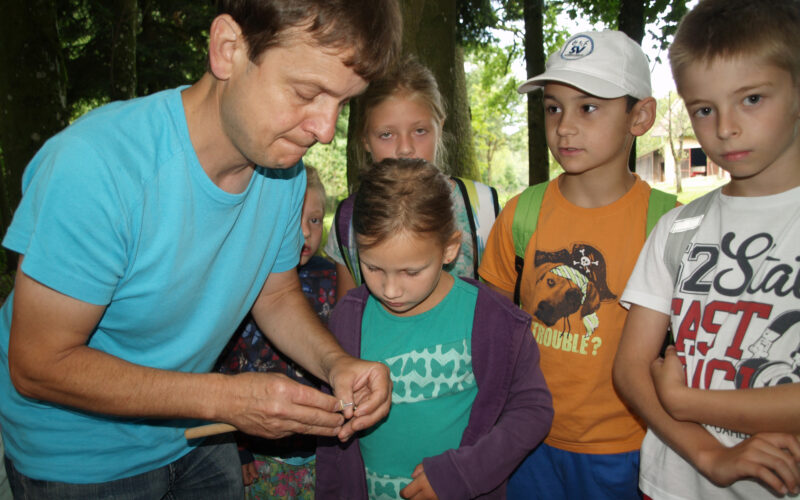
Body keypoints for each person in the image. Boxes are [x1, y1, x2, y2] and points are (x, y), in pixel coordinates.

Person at [0, 1, 401, 497]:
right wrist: (226, 400)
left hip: (198, 433)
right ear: (228, 49)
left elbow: (274, 294)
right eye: (306, 93)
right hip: (80, 460)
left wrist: (335, 363)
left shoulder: (284, 175)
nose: (324, 130)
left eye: (343, 104)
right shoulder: (96, 167)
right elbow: (38, 365)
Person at [613, 0, 800, 498]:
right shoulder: (679, 228)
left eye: (752, 99)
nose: (725, 127)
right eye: (703, 109)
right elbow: (631, 369)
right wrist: (709, 454)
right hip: (674, 483)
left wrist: (688, 401)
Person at [478, 30, 661, 499]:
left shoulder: (666, 224)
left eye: (589, 107)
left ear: (639, 116)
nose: (564, 127)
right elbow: (491, 325)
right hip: (526, 440)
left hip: (622, 446)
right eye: (554, 107)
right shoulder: (522, 213)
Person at [315, 158, 553, 500]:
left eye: (411, 272)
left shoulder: (493, 320)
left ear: (450, 249)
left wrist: (464, 473)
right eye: (373, 267)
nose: (390, 290)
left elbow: (532, 410)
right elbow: (331, 430)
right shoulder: (347, 319)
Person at [324, 56, 500, 301]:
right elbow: (350, 313)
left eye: (419, 131)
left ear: (439, 127)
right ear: (365, 140)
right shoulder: (350, 219)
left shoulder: (482, 208)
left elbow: (499, 309)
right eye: (386, 134)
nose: (405, 148)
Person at [217, 165, 336, 499]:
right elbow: (225, 367)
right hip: (260, 453)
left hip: (322, 450)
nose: (306, 232)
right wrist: (237, 448)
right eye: (293, 219)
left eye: (315, 220)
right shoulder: (247, 282)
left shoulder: (333, 279)